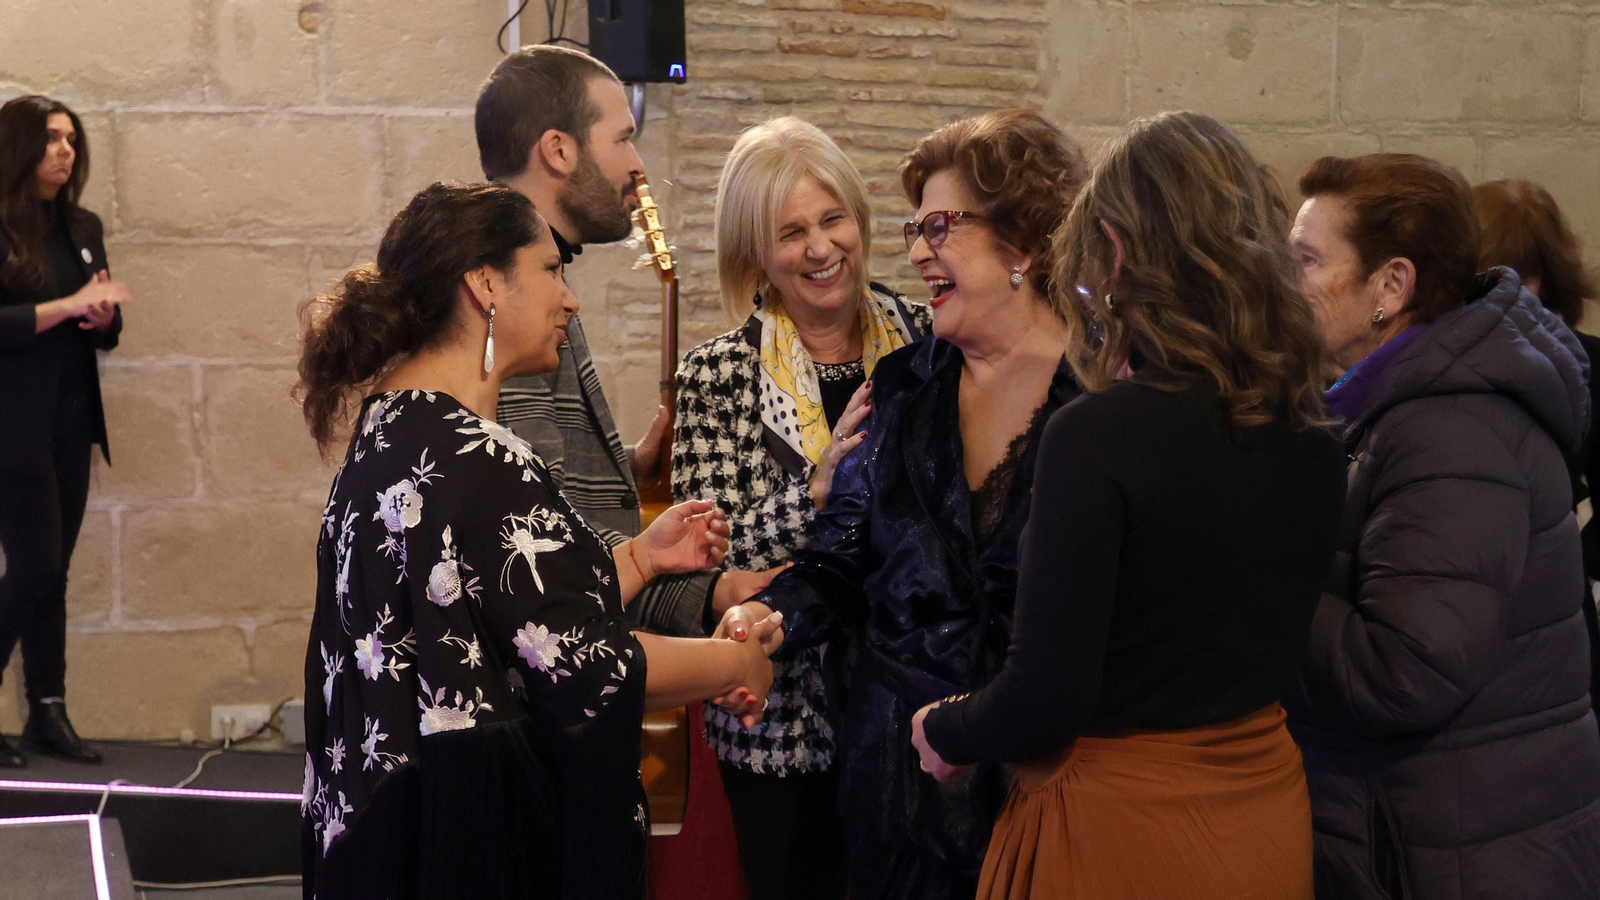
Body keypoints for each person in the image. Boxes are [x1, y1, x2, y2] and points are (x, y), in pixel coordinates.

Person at [297, 181, 781, 899]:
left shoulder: (391, 430)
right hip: (463, 847)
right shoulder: (480, 455)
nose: (570, 299)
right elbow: (587, 669)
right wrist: (736, 659)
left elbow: (488, 620)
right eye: (551, 270)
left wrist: (643, 558)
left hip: (383, 838)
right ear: (486, 282)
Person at [907, 110, 1345, 899]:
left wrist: (943, 727)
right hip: (1263, 814)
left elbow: (1046, 697)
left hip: (1127, 831)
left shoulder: (1098, 437)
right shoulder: (1312, 429)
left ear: (1112, 250)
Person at [726, 108, 1089, 900]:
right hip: (896, 792)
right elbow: (837, 560)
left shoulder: (1104, 397)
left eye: (941, 227)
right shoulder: (901, 386)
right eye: (913, 227)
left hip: (1052, 789)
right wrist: (772, 617)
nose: (916, 251)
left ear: (1024, 242)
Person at [1287, 153, 1600, 899]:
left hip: (1455, 858)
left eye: (1303, 261)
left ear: (1390, 287)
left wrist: (1258, 579)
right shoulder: (1392, 406)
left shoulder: (1452, 429)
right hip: (1427, 837)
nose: (1282, 285)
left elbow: (1406, 671)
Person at [675, 115, 929, 900]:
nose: (821, 248)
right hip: (778, 727)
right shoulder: (716, 376)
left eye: (833, 219)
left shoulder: (927, 342)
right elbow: (703, 557)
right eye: (792, 233)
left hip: (908, 710)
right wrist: (811, 495)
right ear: (757, 254)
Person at [475, 46, 779, 634]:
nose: (637, 164)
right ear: (559, 150)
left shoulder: (535, 273)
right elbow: (539, 537)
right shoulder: (511, 295)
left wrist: (626, 471)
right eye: (622, 139)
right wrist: (713, 593)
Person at [0, 95, 128, 768]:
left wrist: (101, 318)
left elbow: (105, 330)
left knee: (55, 575)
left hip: (71, 418)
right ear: (19, 147)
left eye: (72, 140)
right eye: (51, 138)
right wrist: (65, 306)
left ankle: (47, 711)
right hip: (12, 424)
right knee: (35, 567)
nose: (65, 150)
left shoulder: (82, 223)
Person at [1474, 177, 1600, 726]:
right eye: (1496, 272)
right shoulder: (1438, 369)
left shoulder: (1590, 368)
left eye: (1525, 274)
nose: (1512, 291)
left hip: (1558, 632)